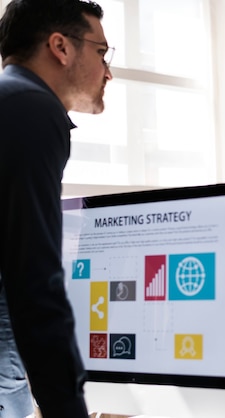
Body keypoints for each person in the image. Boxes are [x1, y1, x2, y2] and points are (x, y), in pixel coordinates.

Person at [0, 0, 113, 416]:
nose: (108, 71)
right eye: (101, 52)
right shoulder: (31, 110)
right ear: (61, 47)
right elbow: (34, 281)